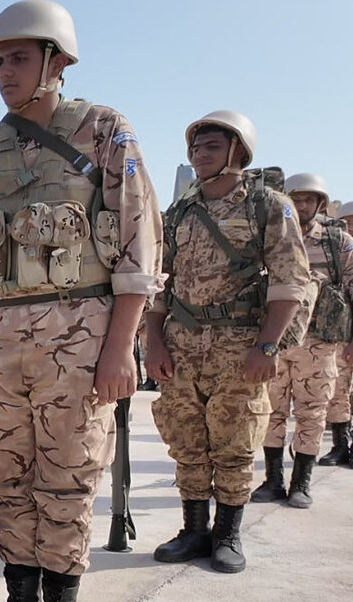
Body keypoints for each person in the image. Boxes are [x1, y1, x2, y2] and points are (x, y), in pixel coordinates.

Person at [0, 0, 162, 602]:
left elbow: (136, 246)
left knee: (67, 481)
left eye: (16, 57)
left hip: (78, 336)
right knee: (9, 482)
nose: (4, 70)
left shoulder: (105, 132)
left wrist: (121, 346)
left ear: (56, 61)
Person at [146, 110, 308, 574]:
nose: (199, 156)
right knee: (186, 440)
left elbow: (289, 282)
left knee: (235, 442)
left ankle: (228, 534)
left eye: (211, 147)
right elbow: (161, 285)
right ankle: (194, 530)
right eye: (195, 149)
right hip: (181, 344)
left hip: (240, 346)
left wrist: (268, 346)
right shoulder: (180, 212)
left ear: (238, 151)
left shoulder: (268, 206)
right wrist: (153, 344)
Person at [252, 173, 353, 507]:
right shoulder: (272, 235)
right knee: (271, 412)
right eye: (297, 199)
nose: (303, 205)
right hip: (277, 342)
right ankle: (273, 481)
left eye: (310, 200)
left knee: (313, 413)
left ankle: (301, 483)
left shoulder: (338, 244)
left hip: (321, 343)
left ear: (320, 204)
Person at [322, 198, 353, 464]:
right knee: (338, 391)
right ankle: (340, 446)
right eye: (349, 222)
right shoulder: (337, 251)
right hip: (340, 334)